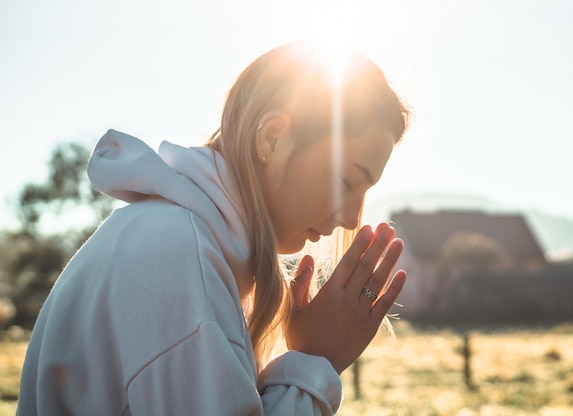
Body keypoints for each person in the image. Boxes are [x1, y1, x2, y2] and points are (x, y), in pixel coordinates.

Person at [17, 40, 410, 415]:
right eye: (346, 181)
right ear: (273, 137)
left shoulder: (189, 246)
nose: (351, 217)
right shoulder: (174, 255)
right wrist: (313, 363)